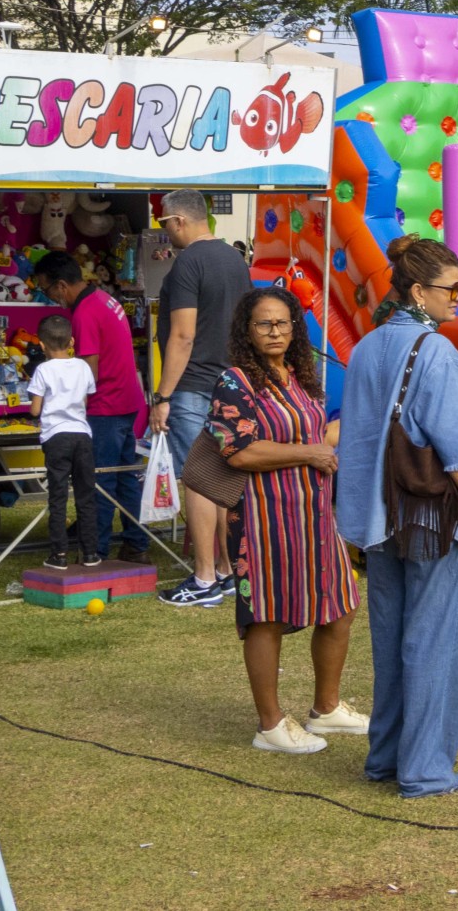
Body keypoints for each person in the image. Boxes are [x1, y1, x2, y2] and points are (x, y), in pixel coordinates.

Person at [335, 236, 458, 796]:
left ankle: (387, 758)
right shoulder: (436, 351)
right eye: (452, 289)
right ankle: (425, 769)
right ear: (418, 291)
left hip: (379, 519)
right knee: (439, 643)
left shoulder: (366, 347)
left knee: (392, 643)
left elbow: (357, 439)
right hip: (434, 520)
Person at [212, 288, 365, 753]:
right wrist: (308, 453)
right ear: (247, 330)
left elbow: (315, 434)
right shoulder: (236, 382)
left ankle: (326, 709)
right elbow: (237, 451)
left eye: (283, 323)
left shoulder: (300, 377)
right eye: (264, 324)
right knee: (266, 615)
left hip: (313, 514)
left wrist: (351, 425)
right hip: (262, 517)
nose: (275, 332)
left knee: (340, 603)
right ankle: (271, 725)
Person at [150, 189, 252, 606]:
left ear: (179, 221)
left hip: (193, 385)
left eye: (163, 223)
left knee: (198, 480)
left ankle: (205, 577)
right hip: (231, 382)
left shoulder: (188, 262)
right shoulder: (235, 259)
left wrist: (162, 395)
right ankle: (225, 571)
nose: (164, 231)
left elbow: (183, 334)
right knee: (224, 479)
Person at [33, 249, 150, 563]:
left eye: (46, 290)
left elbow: (88, 373)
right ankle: (136, 545)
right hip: (128, 401)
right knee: (125, 477)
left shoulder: (84, 314)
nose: (49, 297)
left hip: (105, 407)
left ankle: (95, 551)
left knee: (98, 482)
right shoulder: (103, 298)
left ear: (61, 285)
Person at [27, 314, 101, 569]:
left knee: (58, 497)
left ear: (41, 344)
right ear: (71, 342)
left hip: (56, 437)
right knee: (85, 496)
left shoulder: (42, 370)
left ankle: (58, 554)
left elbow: (35, 410)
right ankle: (90, 553)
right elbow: (85, 401)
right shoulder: (83, 367)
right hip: (82, 435)